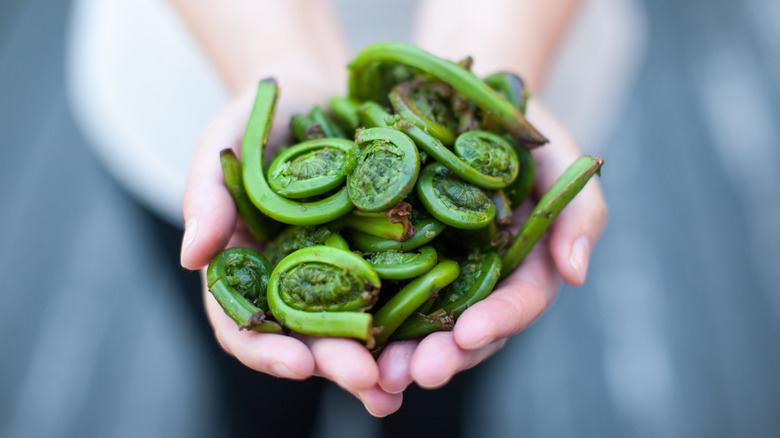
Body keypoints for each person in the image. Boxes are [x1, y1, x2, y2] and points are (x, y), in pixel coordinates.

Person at [175, 0, 607, 418]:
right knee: (259, 403)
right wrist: (276, 67)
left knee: (438, 403)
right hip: (222, 39)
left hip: (527, 28)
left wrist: (497, 51)